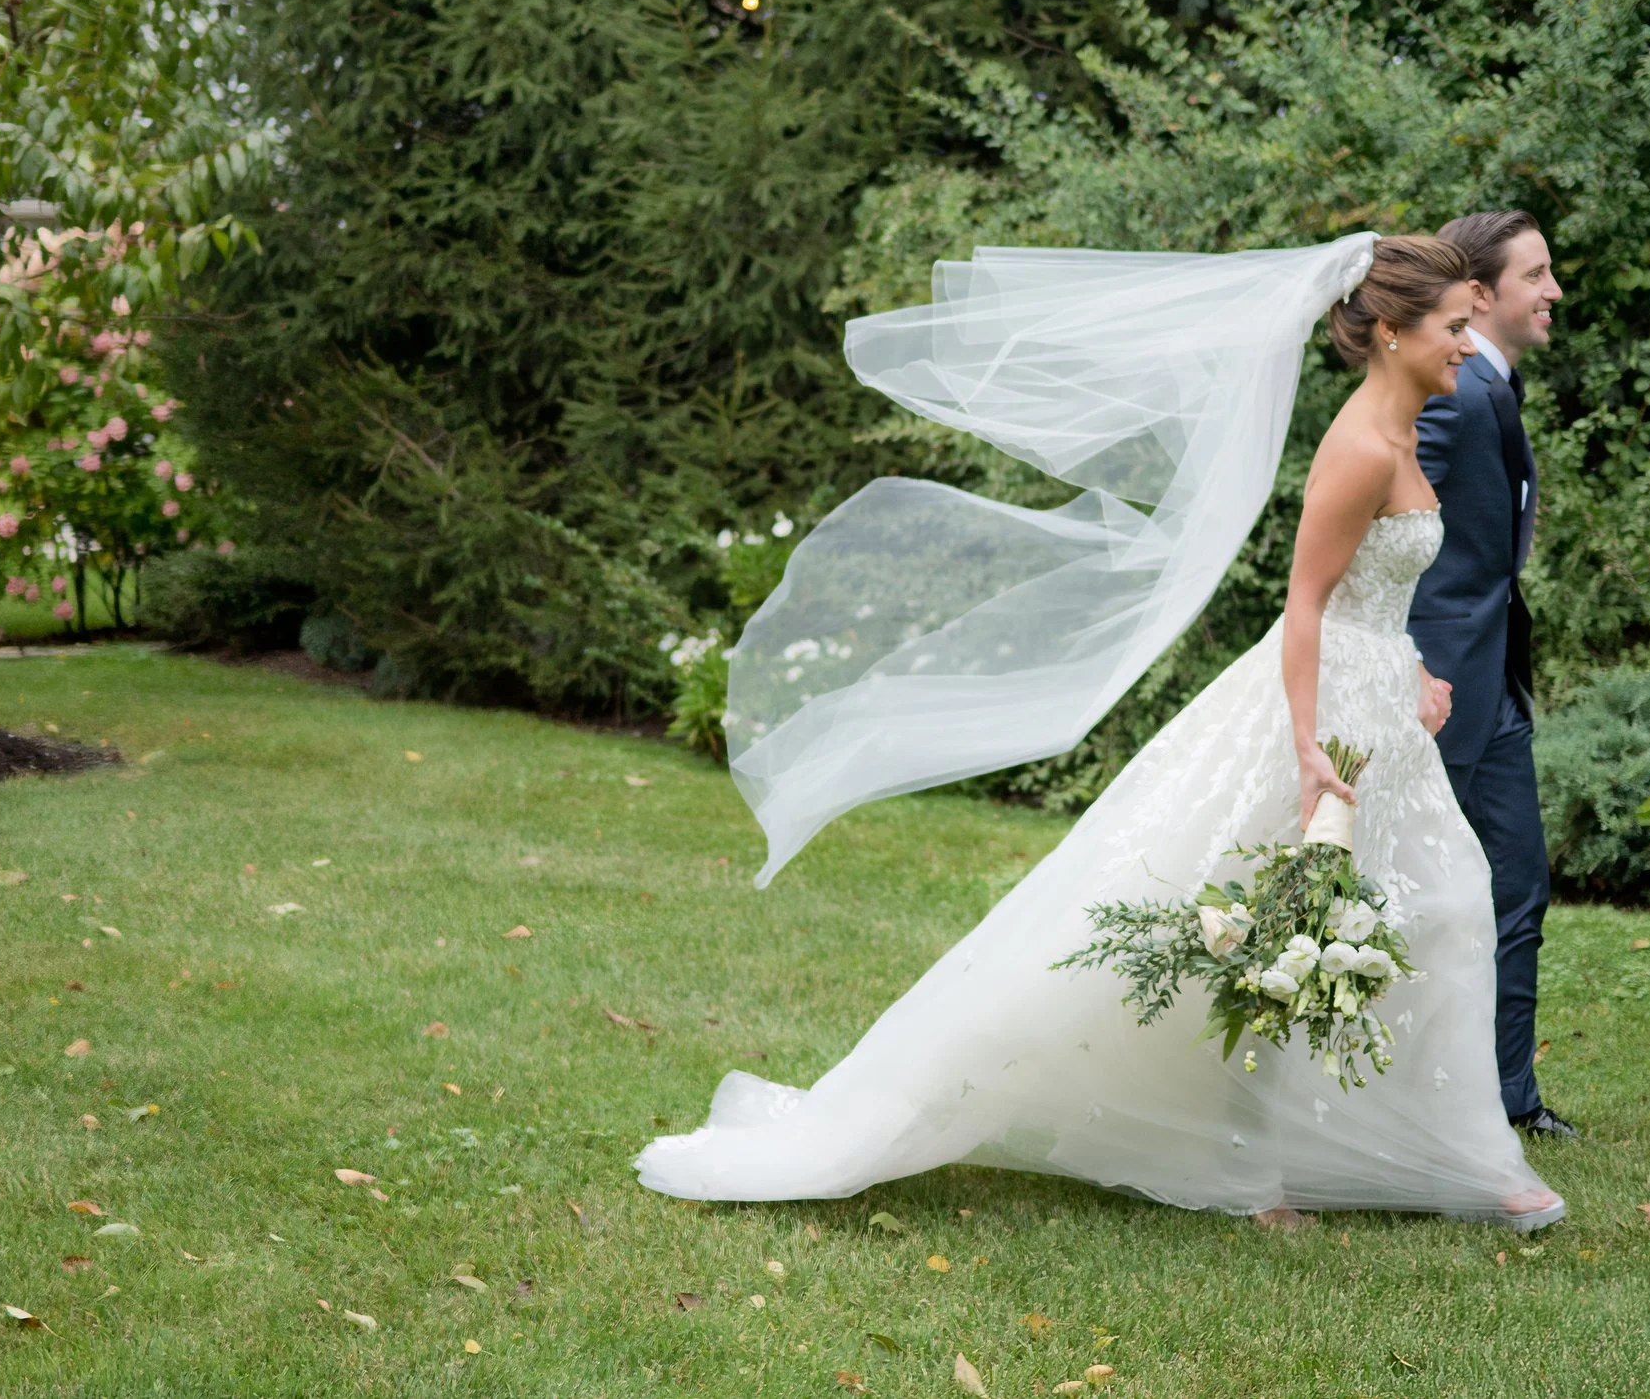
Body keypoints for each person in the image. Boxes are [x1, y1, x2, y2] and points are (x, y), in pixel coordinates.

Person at [637, 234, 1563, 1229]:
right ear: (1389, 331)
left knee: (1439, 909)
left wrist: (1411, 673)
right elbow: (1305, 607)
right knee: (1292, 931)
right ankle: (1279, 1172)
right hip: (1321, 714)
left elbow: (1370, 599)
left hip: (1379, 705)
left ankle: (1457, 1157)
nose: (1469, 346)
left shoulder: (1410, 420)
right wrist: (1304, 750)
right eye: (1453, 327)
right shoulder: (1357, 449)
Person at [1408, 210, 1577, 1140]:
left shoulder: (1490, 389)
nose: (1553, 291)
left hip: (1490, 687)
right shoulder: (1452, 392)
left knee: (1517, 886)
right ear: (1480, 293)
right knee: (1416, 895)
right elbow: (1384, 531)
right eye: (1536, 274)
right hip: (1434, 693)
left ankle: (1508, 1097)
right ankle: (1417, 1097)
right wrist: (1408, 671)